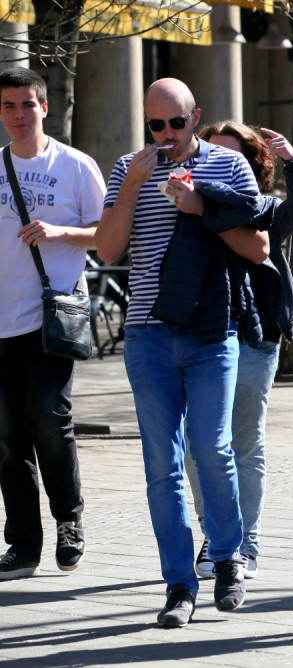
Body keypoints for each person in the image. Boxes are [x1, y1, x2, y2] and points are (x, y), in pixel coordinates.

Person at [96, 78, 265, 627]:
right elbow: (107, 248)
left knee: (211, 448)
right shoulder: (129, 168)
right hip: (147, 333)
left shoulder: (228, 167)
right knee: (160, 464)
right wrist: (131, 189)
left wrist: (198, 208)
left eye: (175, 123)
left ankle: (228, 556)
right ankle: (178, 584)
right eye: (154, 125)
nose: (165, 134)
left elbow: (258, 247)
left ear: (197, 118)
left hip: (211, 330)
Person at [186, 121, 293, 581]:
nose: (219, 166)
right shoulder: (189, 201)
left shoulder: (266, 210)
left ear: (252, 164)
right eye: (212, 156)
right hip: (201, 332)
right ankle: (217, 536)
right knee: (197, 446)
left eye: (231, 157)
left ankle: (248, 539)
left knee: (244, 442)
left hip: (256, 335)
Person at [0, 67, 104, 580]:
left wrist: (60, 231)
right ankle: (23, 544)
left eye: (27, 105)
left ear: (44, 107)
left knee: (47, 415)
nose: (19, 115)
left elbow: (109, 235)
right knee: (4, 434)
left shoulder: (76, 166)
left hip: (52, 314)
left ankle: (70, 520)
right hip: (0, 320)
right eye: (9, 107)